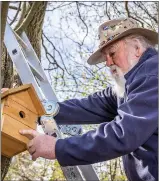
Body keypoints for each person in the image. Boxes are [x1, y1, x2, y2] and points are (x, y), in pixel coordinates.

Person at [3, 18, 158, 181]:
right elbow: (95, 105)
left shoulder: (152, 76)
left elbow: (123, 134)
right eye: (106, 57)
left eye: (112, 53)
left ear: (137, 48)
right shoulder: (132, 83)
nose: (108, 63)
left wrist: (58, 147)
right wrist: (36, 107)